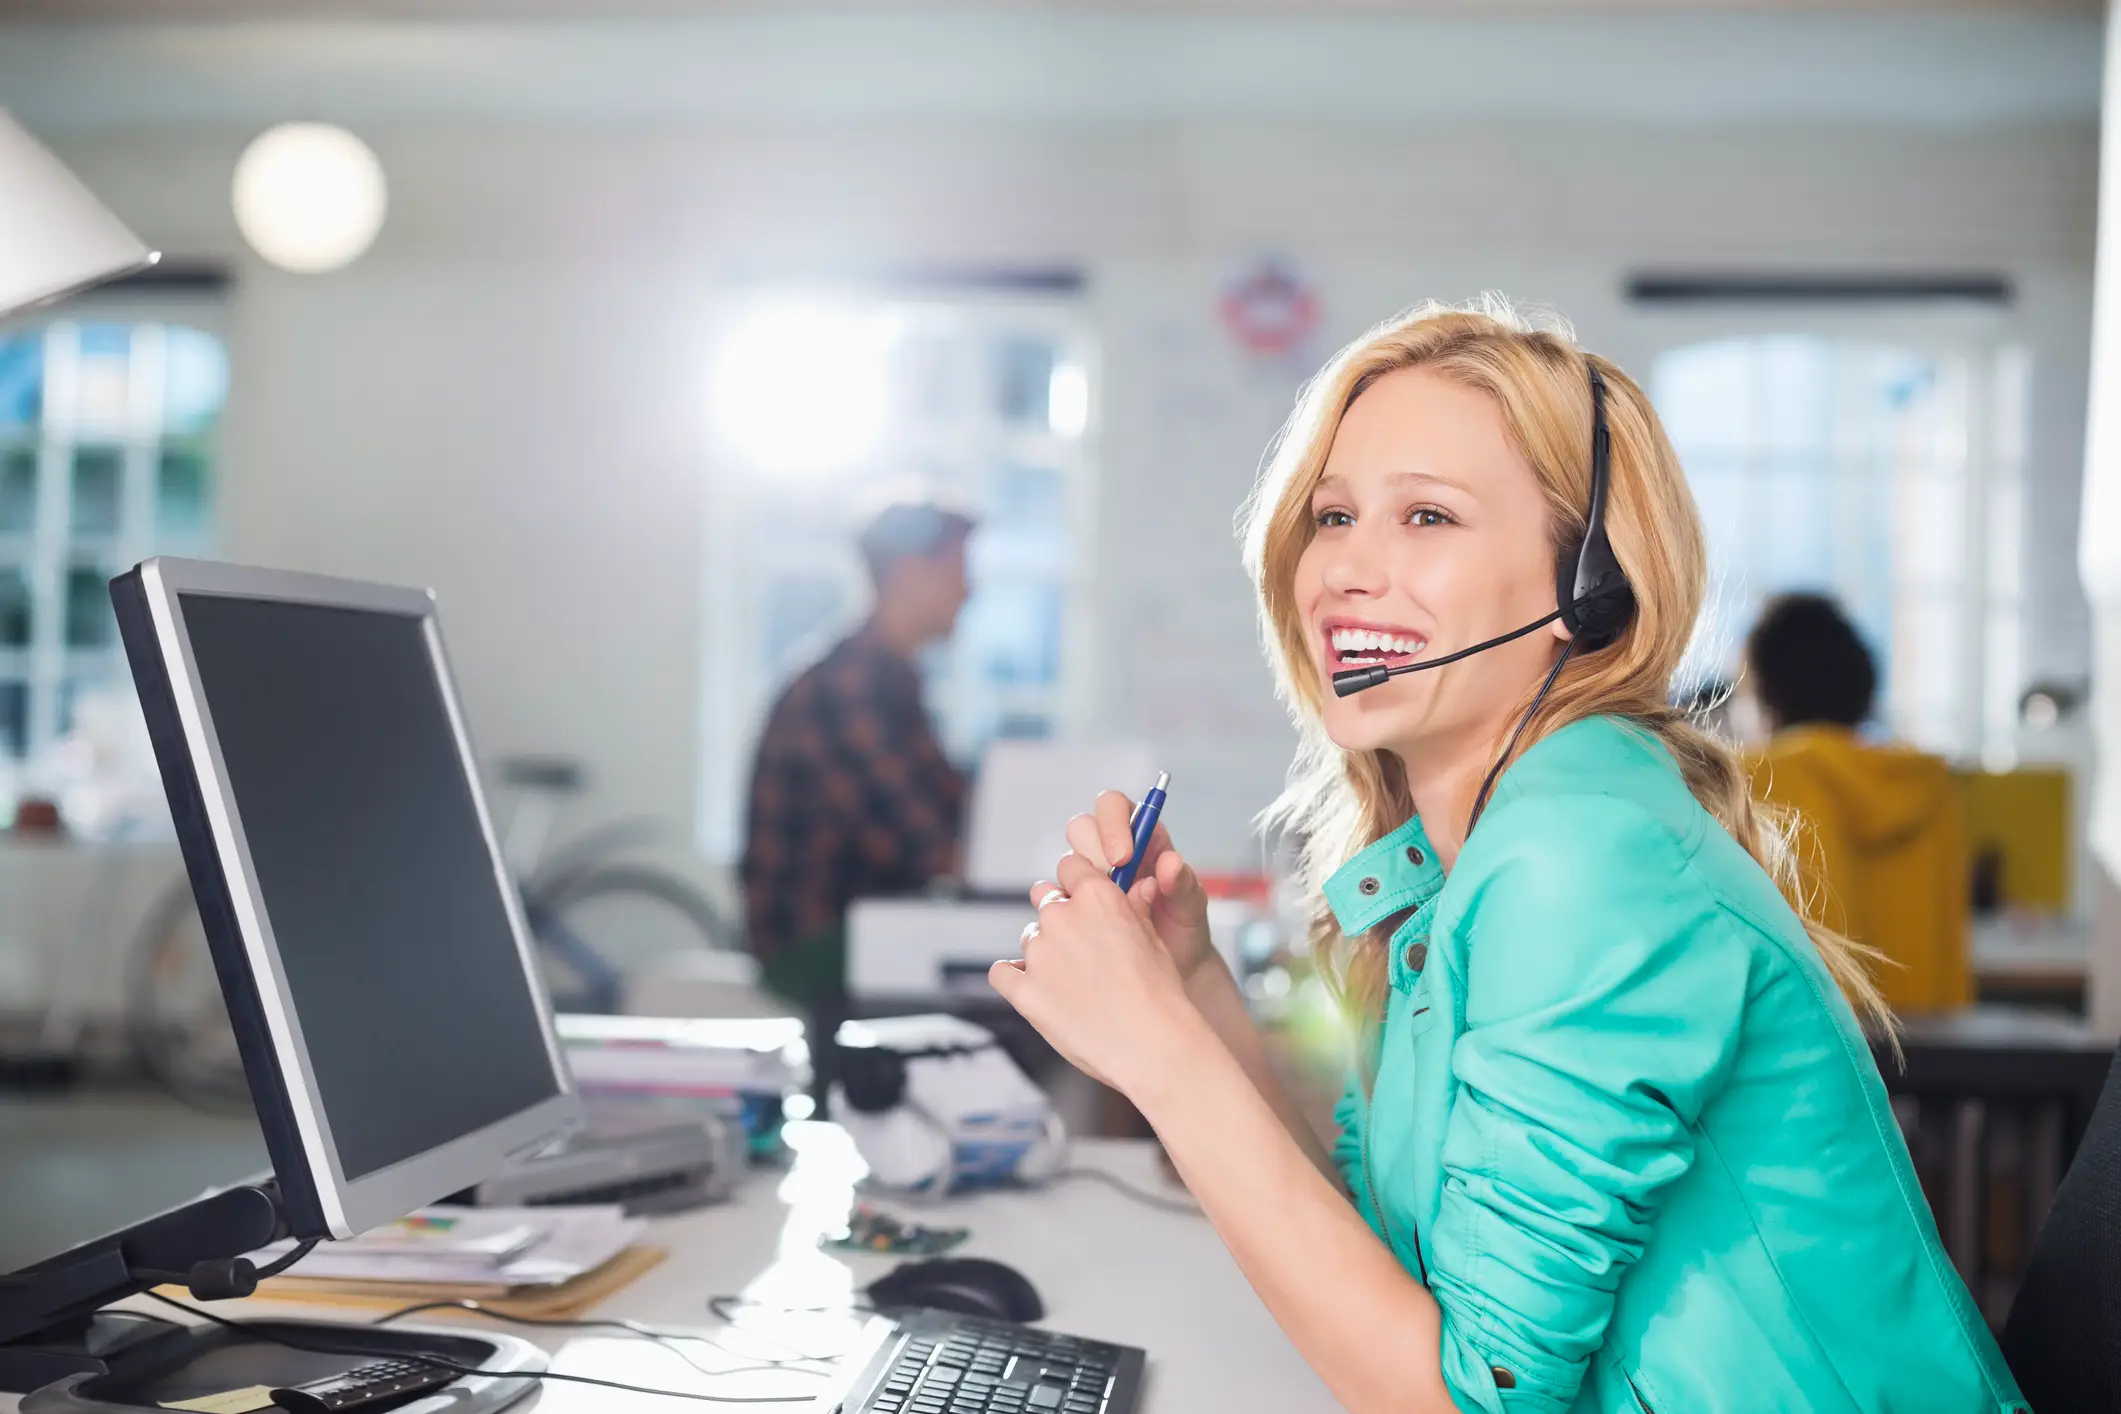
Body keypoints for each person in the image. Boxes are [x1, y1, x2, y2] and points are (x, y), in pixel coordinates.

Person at [986, 303, 2020, 1412]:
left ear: (1588, 586)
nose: (1343, 569)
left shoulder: (1584, 854)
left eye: (1427, 515)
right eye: (1332, 516)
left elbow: (1473, 1398)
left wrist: (1157, 1058)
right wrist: (1191, 991)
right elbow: (1383, 1244)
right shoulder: (1460, 857)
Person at [740, 500, 974, 1005]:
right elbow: (925, 841)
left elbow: (950, 805)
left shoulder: (891, 678)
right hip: (812, 941)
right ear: (912, 574)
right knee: (1023, 978)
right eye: (959, 571)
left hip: (864, 928)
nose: (969, 590)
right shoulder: (852, 685)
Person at [1742, 593, 1972, 1014]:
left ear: (1767, 691)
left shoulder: (1762, 776)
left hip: (1824, 1055)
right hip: (1933, 1056)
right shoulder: (1929, 782)